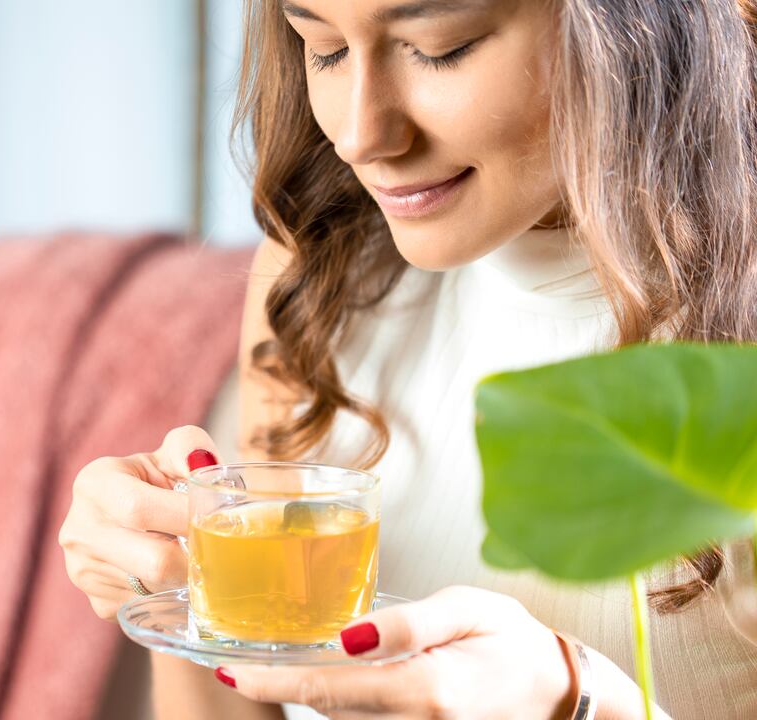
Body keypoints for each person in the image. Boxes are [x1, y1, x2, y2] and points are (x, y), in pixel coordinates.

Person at [58, 0, 757, 717]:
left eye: (440, 48)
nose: (361, 136)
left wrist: (580, 702)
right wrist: (181, 586)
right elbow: (242, 692)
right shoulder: (316, 282)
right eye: (323, 48)